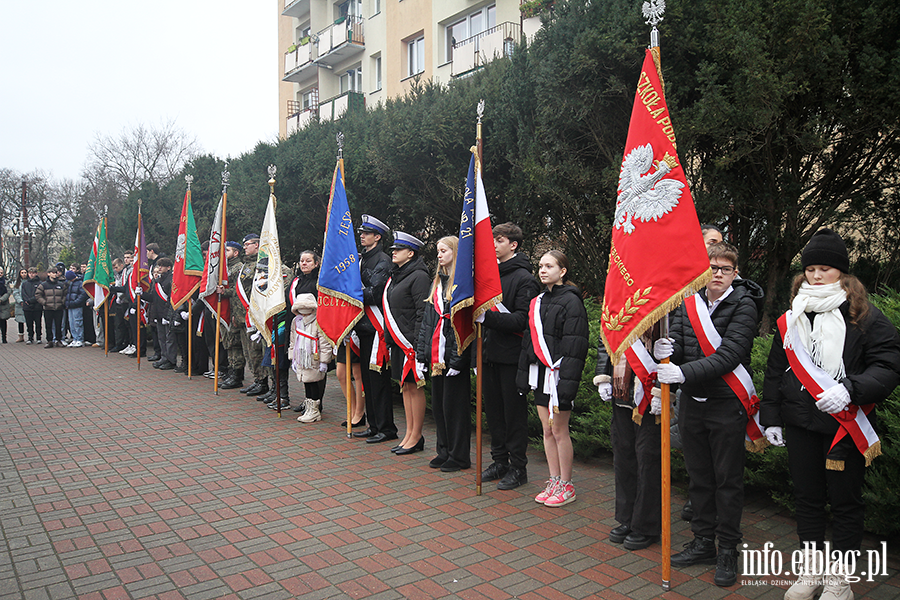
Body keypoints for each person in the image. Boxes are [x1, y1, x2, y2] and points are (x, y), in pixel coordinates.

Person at [761, 229, 900, 600]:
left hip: (842, 428)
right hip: (800, 423)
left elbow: (888, 365)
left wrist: (850, 389)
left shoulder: (865, 317)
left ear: (842, 273)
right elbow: (776, 371)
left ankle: (840, 581)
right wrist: (770, 417)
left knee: (845, 502)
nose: (817, 275)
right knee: (806, 498)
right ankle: (811, 571)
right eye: (810, 269)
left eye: (825, 268)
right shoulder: (792, 317)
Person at [654, 242, 764, 587]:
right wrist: (668, 353)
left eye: (724, 268)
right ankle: (703, 541)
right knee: (699, 477)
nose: (717, 274)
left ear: (735, 272)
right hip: (693, 404)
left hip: (726, 402)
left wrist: (683, 373)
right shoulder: (689, 303)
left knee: (726, 480)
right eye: (711, 267)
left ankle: (728, 547)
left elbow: (729, 356)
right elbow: (686, 349)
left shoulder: (744, 304)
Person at [517, 251, 588, 507]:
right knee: (546, 430)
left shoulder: (572, 302)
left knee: (559, 430)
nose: (543, 270)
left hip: (559, 377)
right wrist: (523, 377)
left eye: (549, 266)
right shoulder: (537, 301)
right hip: (540, 375)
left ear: (563, 270)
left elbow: (575, 346)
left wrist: (567, 384)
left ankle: (567, 484)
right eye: (541, 266)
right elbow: (528, 342)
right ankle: (553, 479)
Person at [481, 222, 540, 489]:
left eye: (499, 240)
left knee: (513, 415)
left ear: (513, 245)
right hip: (490, 353)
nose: (493, 244)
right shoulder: (488, 274)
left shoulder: (524, 278)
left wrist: (487, 318)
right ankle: (499, 460)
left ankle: (518, 467)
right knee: (493, 413)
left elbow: (520, 321)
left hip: (512, 357)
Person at [594, 326, 662, 550]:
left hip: (649, 392)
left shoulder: (666, 296)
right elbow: (607, 335)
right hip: (621, 388)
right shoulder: (620, 294)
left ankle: (646, 525)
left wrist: (663, 389)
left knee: (648, 459)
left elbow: (674, 344)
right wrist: (603, 374)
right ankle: (627, 518)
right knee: (624, 458)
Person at [417, 236, 472, 472]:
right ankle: (444, 450)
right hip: (436, 355)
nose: (439, 255)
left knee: (455, 408)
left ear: (456, 252)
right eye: (438, 251)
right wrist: (422, 355)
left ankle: (459, 456)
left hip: (452, 357)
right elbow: (427, 322)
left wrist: (458, 359)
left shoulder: (463, 283)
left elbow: (465, 325)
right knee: (438, 406)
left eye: (444, 250)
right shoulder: (437, 283)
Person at [383, 232, 430, 454]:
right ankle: (408, 433)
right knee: (405, 386)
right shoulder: (397, 275)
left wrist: (418, 344)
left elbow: (422, 313)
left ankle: (416, 436)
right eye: (393, 249)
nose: (393, 252)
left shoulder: (419, 276)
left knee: (414, 386)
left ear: (410, 253)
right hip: (398, 341)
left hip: (410, 342)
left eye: (398, 250)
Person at [352, 215, 398, 444]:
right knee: (368, 383)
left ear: (377, 237)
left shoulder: (382, 260)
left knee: (378, 381)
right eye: (361, 232)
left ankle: (387, 428)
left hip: (376, 328)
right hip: (363, 327)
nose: (361, 235)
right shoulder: (361, 260)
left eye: (366, 233)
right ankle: (373, 424)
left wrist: (351, 294)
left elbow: (375, 294)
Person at [278, 251, 322, 412]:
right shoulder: (296, 281)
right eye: (302, 260)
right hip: (298, 327)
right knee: (304, 363)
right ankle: (308, 399)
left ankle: (317, 403)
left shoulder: (319, 281)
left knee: (314, 366)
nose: (304, 263)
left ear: (316, 263)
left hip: (314, 327)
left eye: (308, 261)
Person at [289, 293, 333, 422]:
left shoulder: (319, 321)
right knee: (306, 383)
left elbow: (324, 342)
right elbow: (293, 340)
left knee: (314, 384)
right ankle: (309, 407)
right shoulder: (296, 322)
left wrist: (324, 361)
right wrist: (293, 357)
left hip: (314, 358)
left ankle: (314, 410)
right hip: (301, 358)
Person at [35, 267, 66, 348]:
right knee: (48, 325)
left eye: (55, 273)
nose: (54, 274)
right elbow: (38, 295)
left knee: (59, 325)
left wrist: (62, 302)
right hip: (48, 308)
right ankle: (49, 341)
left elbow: (65, 294)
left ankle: (58, 340)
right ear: (48, 274)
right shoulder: (44, 285)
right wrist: (44, 303)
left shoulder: (60, 285)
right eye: (52, 272)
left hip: (59, 308)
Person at [63, 270, 88, 347]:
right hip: (70, 305)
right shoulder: (70, 283)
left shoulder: (80, 283)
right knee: (72, 323)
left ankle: (80, 339)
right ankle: (75, 338)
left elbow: (83, 294)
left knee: (78, 322)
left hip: (76, 306)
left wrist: (76, 302)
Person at [21, 268, 43, 344]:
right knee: (29, 323)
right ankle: (30, 337)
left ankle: (39, 337)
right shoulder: (25, 283)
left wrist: (32, 301)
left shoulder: (40, 283)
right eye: (30, 273)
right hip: (27, 307)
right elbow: (23, 294)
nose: (31, 275)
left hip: (37, 306)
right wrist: (27, 301)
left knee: (38, 323)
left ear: (36, 274)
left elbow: (39, 294)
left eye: (33, 273)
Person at [12, 269, 28, 342]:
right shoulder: (17, 283)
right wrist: (20, 301)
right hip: (20, 304)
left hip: (28, 303)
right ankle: (21, 336)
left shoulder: (29, 282)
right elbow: (15, 293)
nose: (24, 274)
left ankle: (30, 336)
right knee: (20, 321)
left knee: (29, 320)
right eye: (22, 273)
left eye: (25, 272)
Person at [0, 267, 10, 343]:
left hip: (3, 304)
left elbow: (8, 292)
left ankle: (4, 338)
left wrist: (1, 299)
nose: (0, 274)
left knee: (3, 321)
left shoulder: (6, 282)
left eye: (1, 273)